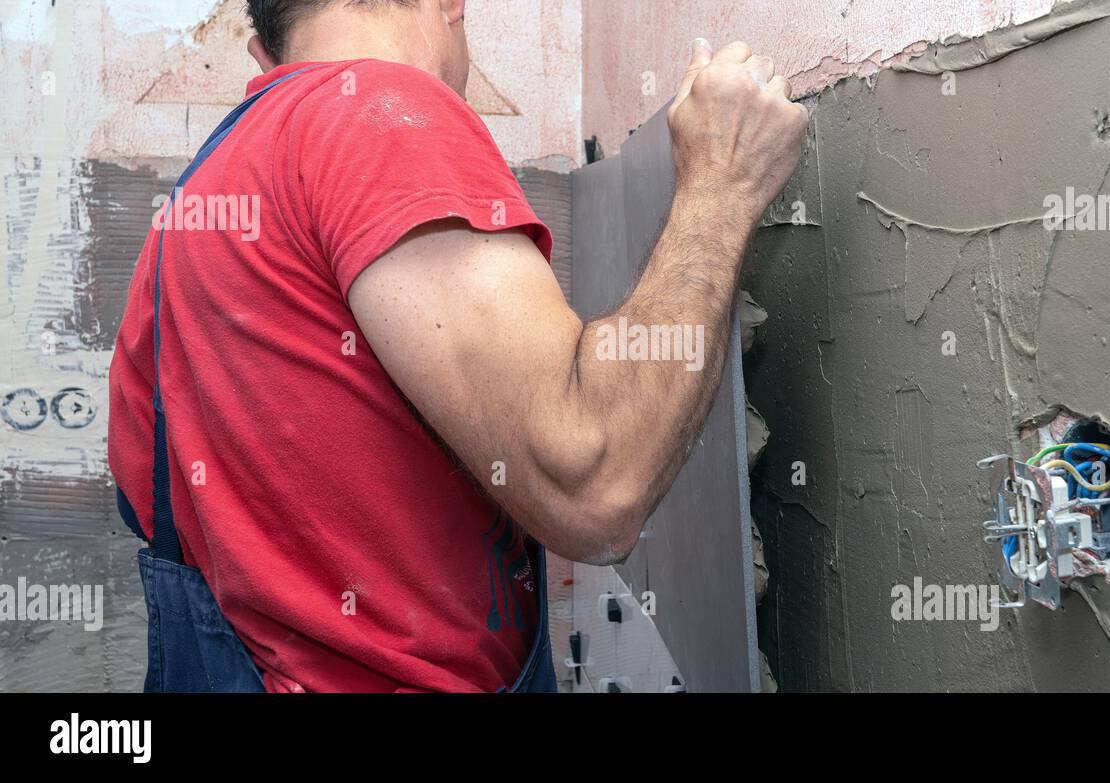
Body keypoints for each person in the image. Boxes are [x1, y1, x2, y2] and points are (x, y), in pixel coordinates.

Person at [108, 0, 807, 693]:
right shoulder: (380, 110)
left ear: (264, 55)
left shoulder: (196, 207)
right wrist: (722, 182)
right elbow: (593, 480)